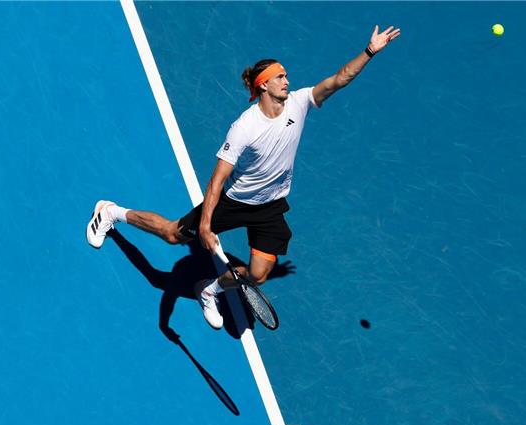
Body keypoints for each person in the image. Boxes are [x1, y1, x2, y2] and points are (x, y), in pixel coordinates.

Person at [87, 25, 401, 329]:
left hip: (271, 205)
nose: (287, 81)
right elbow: (216, 181)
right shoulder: (245, 128)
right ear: (263, 85)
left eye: (286, 76)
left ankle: (209, 289)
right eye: (280, 76)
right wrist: (207, 226)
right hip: (235, 202)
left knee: (260, 273)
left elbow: (339, 79)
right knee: (172, 235)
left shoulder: (300, 103)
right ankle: (111, 213)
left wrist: (369, 52)